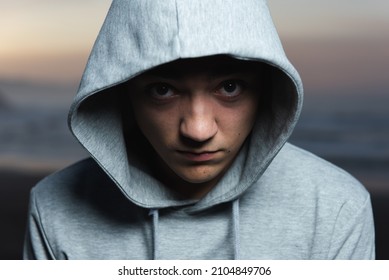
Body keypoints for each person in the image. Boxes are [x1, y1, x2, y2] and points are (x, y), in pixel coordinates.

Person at [24, 0, 375, 259]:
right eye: (163, 90)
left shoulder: (335, 208)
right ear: (123, 94)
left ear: (267, 90)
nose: (197, 129)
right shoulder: (55, 209)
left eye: (230, 87)